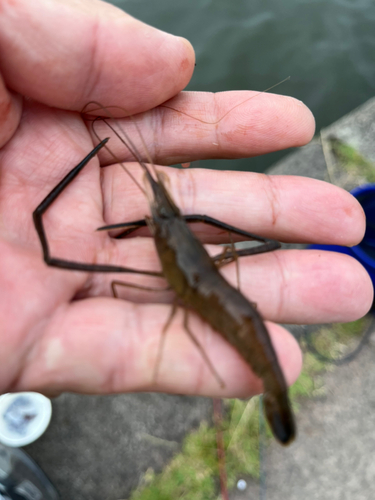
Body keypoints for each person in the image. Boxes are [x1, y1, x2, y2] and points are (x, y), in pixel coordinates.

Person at [0, 0, 372, 402]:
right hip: (216, 291)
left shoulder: (144, 261)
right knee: (185, 225)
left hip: (213, 296)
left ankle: (270, 388)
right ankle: (272, 388)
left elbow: (135, 256)